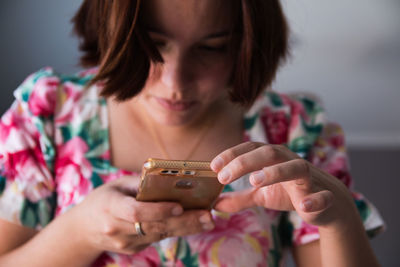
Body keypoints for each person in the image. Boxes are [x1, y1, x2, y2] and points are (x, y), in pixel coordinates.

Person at [0, 0, 384, 266]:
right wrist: (80, 233)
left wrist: (339, 216)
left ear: (248, 44)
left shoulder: (296, 126)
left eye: (212, 48)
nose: (175, 82)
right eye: (152, 44)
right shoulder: (47, 111)